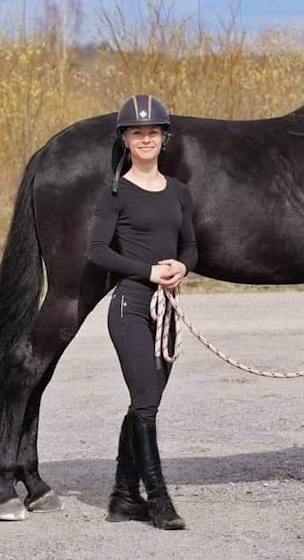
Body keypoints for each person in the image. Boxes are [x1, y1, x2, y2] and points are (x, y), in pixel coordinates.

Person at [86, 94, 198, 531]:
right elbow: (97, 252)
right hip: (130, 306)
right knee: (147, 404)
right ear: (126, 140)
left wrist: (183, 265)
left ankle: (121, 497)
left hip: (167, 311)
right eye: (138, 132)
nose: (146, 138)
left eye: (153, 131)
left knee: (141, 403)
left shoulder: (179, 192)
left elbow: (190, 245)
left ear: (163, 138)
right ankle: (159, 499)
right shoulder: (115, 194)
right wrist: (149, 270)